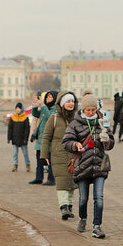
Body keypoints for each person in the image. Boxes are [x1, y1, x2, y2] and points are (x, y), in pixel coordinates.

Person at [62, 94, 113, 238]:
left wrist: (107, 140)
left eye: (93, 109)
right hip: (82, 165)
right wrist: (75, 145)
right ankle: (83, 218)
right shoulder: (75, 124)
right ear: (83, 109)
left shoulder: (102, 122)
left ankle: (97, 226)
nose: (91, 112)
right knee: (83, 198)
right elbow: (66, 142)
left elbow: (110, 144)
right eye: (88, 110)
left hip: (99, 165)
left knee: (99, 197)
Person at [43, 92, 80, 220]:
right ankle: (63, 207)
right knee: (61, 181)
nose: (70, 104)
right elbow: (46, 137)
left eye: (72, 101)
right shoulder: (53, 118)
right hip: (58, 154)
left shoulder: (77, 118)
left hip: (73, 154)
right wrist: (44, 155)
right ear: (62, 103)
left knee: (72, 181)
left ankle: (69, 206)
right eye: (68, 102)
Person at [29, 91, 58, 185]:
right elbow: (36, 114)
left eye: (50, 97)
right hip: (41, 138)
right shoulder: (44, 108)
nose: (48, 99)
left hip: (49, 139)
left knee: (50, 161)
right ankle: (39, 178)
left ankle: (51, 179)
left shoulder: (55, 109)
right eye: (47, 97)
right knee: (39, 160)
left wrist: (43, 106)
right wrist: (34, 105)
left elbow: (50, 117)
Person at [7, 102, 31, 172]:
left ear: (22, 109)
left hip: (23, 139)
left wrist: (26, 139)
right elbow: (10, 129)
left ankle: (27, 165)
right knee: (15, 154)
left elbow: (27, 130)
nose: (17, 110)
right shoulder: (12, 118)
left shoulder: (25, 118)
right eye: (16, 108)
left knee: (25, 153)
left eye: (19, 108)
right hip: (15, 139)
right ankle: (15, 166)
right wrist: (9, 138)